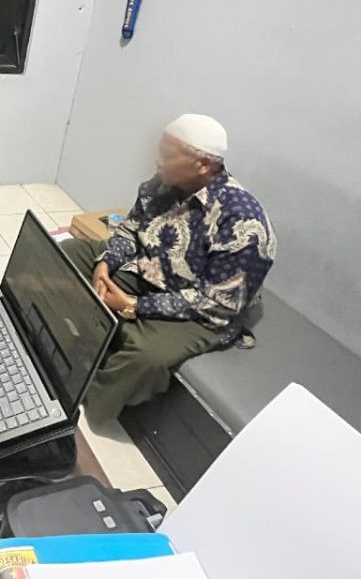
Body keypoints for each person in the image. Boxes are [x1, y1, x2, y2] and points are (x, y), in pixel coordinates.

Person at [62, 114, 276, 425]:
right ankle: (54, 336)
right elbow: (130, 230)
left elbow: (216, 303)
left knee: (147, 356)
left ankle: (86, 404)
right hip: (149, 270)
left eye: (166, 154)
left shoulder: (243, 223)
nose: (157, 160)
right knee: (67, 253)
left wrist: (134, 305)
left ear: (203, 164)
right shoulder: (162, 184)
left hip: (201, 309)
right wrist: (105, 263)